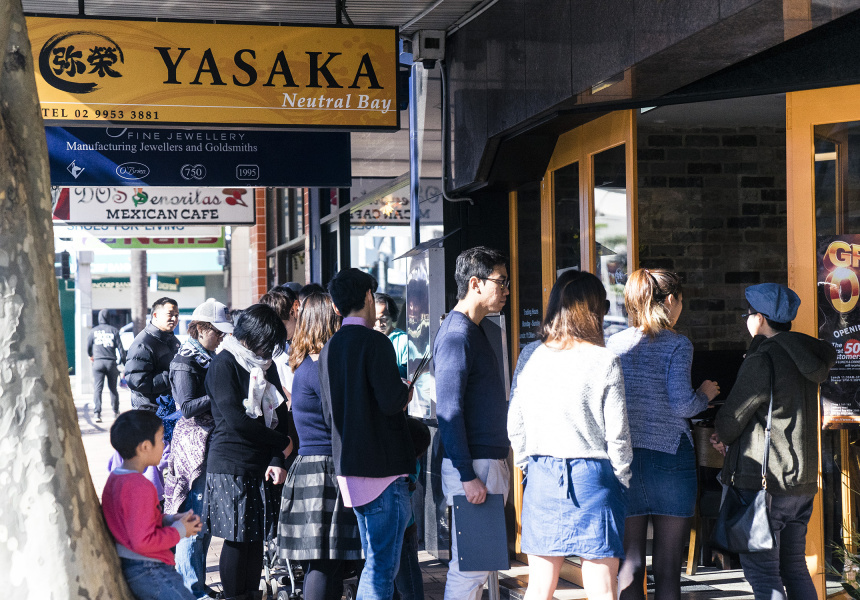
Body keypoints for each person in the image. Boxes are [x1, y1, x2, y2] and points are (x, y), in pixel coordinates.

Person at [508, 270, 631, 600]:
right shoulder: (604, 360)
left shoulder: (530, 355)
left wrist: (529, 466)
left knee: (539, 587)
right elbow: (618, 435)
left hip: (543, 474)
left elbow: (515, 423)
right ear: (594, 310)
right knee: (602, 589)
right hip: (594, 476)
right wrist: (621, 479)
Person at [711, 283, 836, 600]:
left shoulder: (763, 358)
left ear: (760, 318)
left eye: (748, 314)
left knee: (763, 573)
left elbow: (732, 417)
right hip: (802, 483)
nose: (747, 320)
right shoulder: (806, 356)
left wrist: (720, 433)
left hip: (765, 482)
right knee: (794, 568)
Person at [606, 269, 720, 600]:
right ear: (671, 300)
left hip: (625, 458)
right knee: (668, 567)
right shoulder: (677, 344)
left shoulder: (614, 344)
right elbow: (683, 404)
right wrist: (705, 395)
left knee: (630, 562)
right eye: (680, 300)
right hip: (670, 457)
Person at [318, 268, 414, 600]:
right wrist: (405, 391)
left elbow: (328, 414)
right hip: (383, 470)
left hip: (350, 468)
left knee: (374, 562)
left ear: (335, 306)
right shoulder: (376, 342)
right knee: (381, 567)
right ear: (369, 297)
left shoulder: (329, 348)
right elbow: (391, 401)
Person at [433, 246, 511, 600]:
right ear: (475, 283)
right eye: (501, 281)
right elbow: (448, 410)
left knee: (476, 566)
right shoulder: (457, 334)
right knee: (471, 569)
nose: (506, 289)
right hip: (475, 465)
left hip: (481, 462)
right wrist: (467, 475)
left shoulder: (470, 329)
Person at [203, 304, 294, 600]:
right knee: (237, 539)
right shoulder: (224, 364)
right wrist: (280, 443)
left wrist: (278, 457)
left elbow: (281, 412)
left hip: (261, 464)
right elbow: (237, 420)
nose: (269, 350)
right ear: (252, 335)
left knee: (256, 538)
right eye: (267, 342)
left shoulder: (265, 366)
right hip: (231, 463)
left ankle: (252, 595)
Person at [277, 292, 362, 600]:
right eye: (338, 318)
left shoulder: (307, 364)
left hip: (312, 467)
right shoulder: (320, 367)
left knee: (326, 561)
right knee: (325, 562)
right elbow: (338, 419)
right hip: (325, 467)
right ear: (328, 322)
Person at [165, 298, 233, 600]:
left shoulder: (206, 357)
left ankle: (198, 584)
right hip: (194, 451)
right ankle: (191, 590)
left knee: (203, 521)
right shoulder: (185, 361)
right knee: (193, 521)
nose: (220, 338)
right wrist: (220, 391)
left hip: (207, 447)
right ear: (202, 328)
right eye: (217, 332)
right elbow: (187, 407)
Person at [102, 410, 201, 600]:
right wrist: (180, 530)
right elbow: (143, 541)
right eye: (161, 439)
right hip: (151, 569)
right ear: (145, 446)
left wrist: (170, 519)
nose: (164, 444)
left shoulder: (116, 478)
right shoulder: (140, 486)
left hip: (139, 566)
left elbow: (135, 521)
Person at [126, 297, 181, 412]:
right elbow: (137, 382)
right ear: (155, 315)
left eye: (176, 315)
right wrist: (173, 374)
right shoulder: (142, 344)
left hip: (170, 408)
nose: (174, 319)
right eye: (170, 314)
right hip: (149, 412)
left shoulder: (172, 339)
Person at [260, 287, 300, 400]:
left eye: (282, 325)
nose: (278, 332)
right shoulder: (270, 345)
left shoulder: (307, 341)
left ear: (292, 312)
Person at [88, 308, 126, 422]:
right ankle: (115, 412)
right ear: (109, 317)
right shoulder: (113, 330)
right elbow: (121, 350)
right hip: (111, 363)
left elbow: (88, 347)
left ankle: (97, 414)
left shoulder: (93, 331)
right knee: (113, 388)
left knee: (97, 388)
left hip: (98, 363)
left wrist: (91, 355)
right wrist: (123, 363)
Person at [374, 292, 408, 378]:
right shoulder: (366, 340)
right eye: (374, 319)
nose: (379, 324)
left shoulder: (404, 341)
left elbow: (409, 372)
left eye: (384, 319)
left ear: (392, 316)